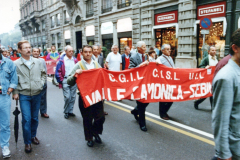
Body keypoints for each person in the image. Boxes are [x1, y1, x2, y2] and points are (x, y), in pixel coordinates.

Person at [67, 45, 105, 147]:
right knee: (87, 119)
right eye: (85, 52)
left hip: (96, 96)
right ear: (82, 53)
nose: (88, 54)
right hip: (84, 97)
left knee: (100, 117)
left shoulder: (96, 64)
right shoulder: (78, 65)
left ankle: (95, 132)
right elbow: (68, 81)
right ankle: (89, 138)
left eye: (89, 52)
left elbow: (104, 77)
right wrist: (75, 74)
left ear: (92, 53)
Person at [12, 40, 46, 153]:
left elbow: (43, 74)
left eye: (29, 47)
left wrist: (41, 84)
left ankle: (33, 136)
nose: (28, 49)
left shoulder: (38, 62)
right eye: (25, 48)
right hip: (24, 95)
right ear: (19, 50)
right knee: (26, 119)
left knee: (34, 118)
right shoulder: (16, 64)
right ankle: (27, 142)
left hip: (37, 93)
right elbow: (14, 79)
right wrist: (15, 92)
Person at [212, 28, 240, 160]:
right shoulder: (226, 77)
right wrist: (223, 153)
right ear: (235, 48)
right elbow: (220, 120)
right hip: (235, 149)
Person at [0, 49, 18, 158]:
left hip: (3, 96)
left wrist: (9, 90)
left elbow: (14, 79)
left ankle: (5, 146)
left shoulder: (9, 63)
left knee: (5, 124)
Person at [129, 41, 149, 131]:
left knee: (147, 101)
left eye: (145, 47)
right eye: (144, 47)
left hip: (147, 82)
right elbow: (131, 69)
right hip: (138, 84)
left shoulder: (147, 56)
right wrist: (140, 65)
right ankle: (142, 124)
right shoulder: (133, 57)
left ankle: (135, 111)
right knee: (141, 104)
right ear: (138, 48)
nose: (145, 48)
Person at [55, 45, 78, 119]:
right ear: (65, 51)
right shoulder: (61, 61)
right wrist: (61, 80)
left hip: (73, 80)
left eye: (72, 51)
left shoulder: (75, 60)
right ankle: (66, 111)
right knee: (67, 97)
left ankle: (70, 111)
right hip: (65, 80)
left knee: (73, 97)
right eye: (69, 51)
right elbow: (58, 71)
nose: (71, 52)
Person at [194, 46, 218, 110]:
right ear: (209, 51)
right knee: (207, 93)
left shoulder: (216, 58)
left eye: (215, 50)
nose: (214, 51)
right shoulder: (206, 59)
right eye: (212, 50)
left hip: (214, 78)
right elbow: (200, 67)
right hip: (207, 79)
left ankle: (213, 107)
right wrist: (205, 67)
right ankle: (197, 102)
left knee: (212, 93)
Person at [156, 44, 175, 120]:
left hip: (170, 81)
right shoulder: (159, 59)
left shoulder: (170, 58)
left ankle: (164, 111)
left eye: (170, 49)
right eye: (167, 49)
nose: (169, 50)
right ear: (162, 50)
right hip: (163, 81)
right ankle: (162, 114)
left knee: (172, 98)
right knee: (163, 98)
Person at [32, 48, 49, 118]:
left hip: (41, 82)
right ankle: (33, 112)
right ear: (32, 52)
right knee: (33, 98)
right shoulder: (29, 60)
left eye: (37, 52)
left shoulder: (42, 61)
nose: (36, 53)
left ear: (39, 53)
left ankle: (43, 112)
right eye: (34, 51)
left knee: (43, 98)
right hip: (32, 83)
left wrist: (44, 82)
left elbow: (45, 71)